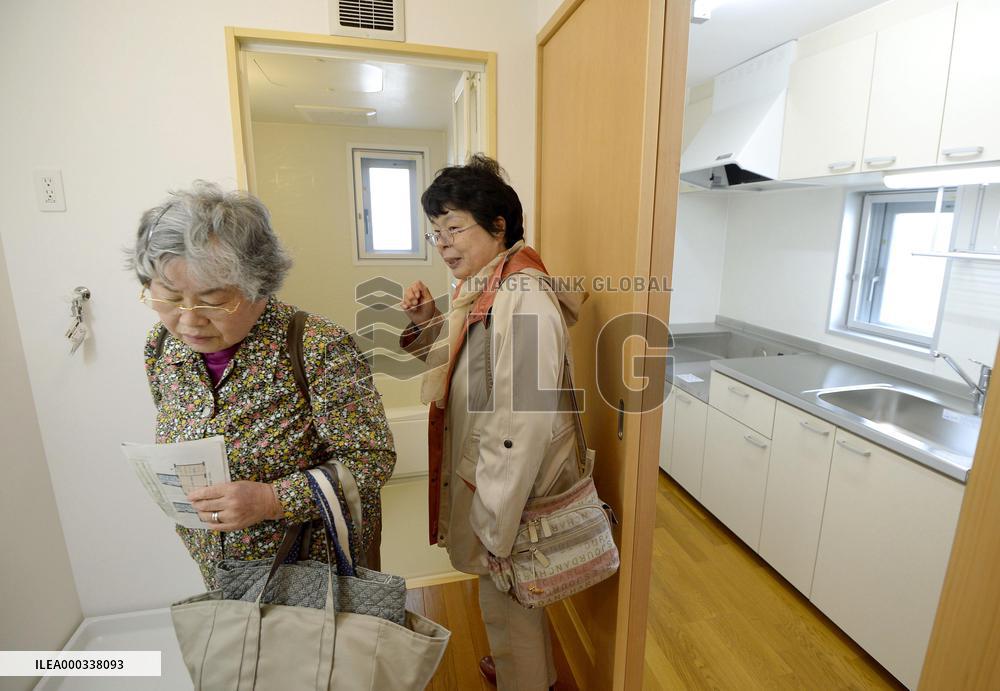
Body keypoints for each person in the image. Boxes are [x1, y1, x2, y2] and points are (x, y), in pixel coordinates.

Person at [128, 181, 395, 587]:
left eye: (213, 301)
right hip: (219, 570)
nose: (189, 319)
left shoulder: (318, 346)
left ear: (260, 286)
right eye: (169, 297)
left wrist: (272, 500)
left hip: (314, 578)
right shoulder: (161, 347)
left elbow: (371, 460)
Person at [400, 155, 586, 690]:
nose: (444, 244)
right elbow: (463, 367)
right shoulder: (483, 290)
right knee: (507, 594)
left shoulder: (522, 297)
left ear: (498, 225)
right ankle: (520, 673)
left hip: (509, 487)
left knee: (513, 596)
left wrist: (496, 518)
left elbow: (523, 419)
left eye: (454, 228)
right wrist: (426, 323)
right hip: (489, 477)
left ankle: (525, 679)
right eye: (436, 233)